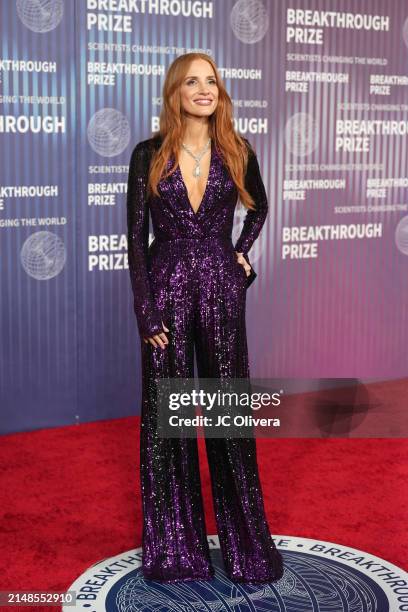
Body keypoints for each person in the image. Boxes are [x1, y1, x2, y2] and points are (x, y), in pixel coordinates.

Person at [126, 52, 283, 584]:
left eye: (211, 81)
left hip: (220, 289)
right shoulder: (147, 154)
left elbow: (259, 206)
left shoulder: (237, 151)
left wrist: (241, 256)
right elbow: (135, 241)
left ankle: (246, 549)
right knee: (167, 419)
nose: (203, 89)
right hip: (166, 288)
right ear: (175, 92)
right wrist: (145, 311)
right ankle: (175, 548)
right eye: (192, 81)